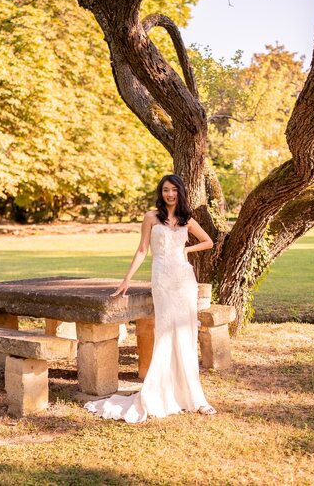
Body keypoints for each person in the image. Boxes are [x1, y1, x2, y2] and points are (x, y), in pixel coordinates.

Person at [83, 174, 217, 423]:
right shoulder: (151, 217)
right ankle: (160, 392)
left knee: (187, 334)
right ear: (161, 192)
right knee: (165, 331)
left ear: (180, 193)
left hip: (184, 280)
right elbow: (143, 249)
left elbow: (208, 241)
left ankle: (195, 398)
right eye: (166, 190)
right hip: (163, 280)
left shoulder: (187, 219)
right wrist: (126, 280)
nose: (170, 194)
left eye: (174, 190)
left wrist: (187, 249)